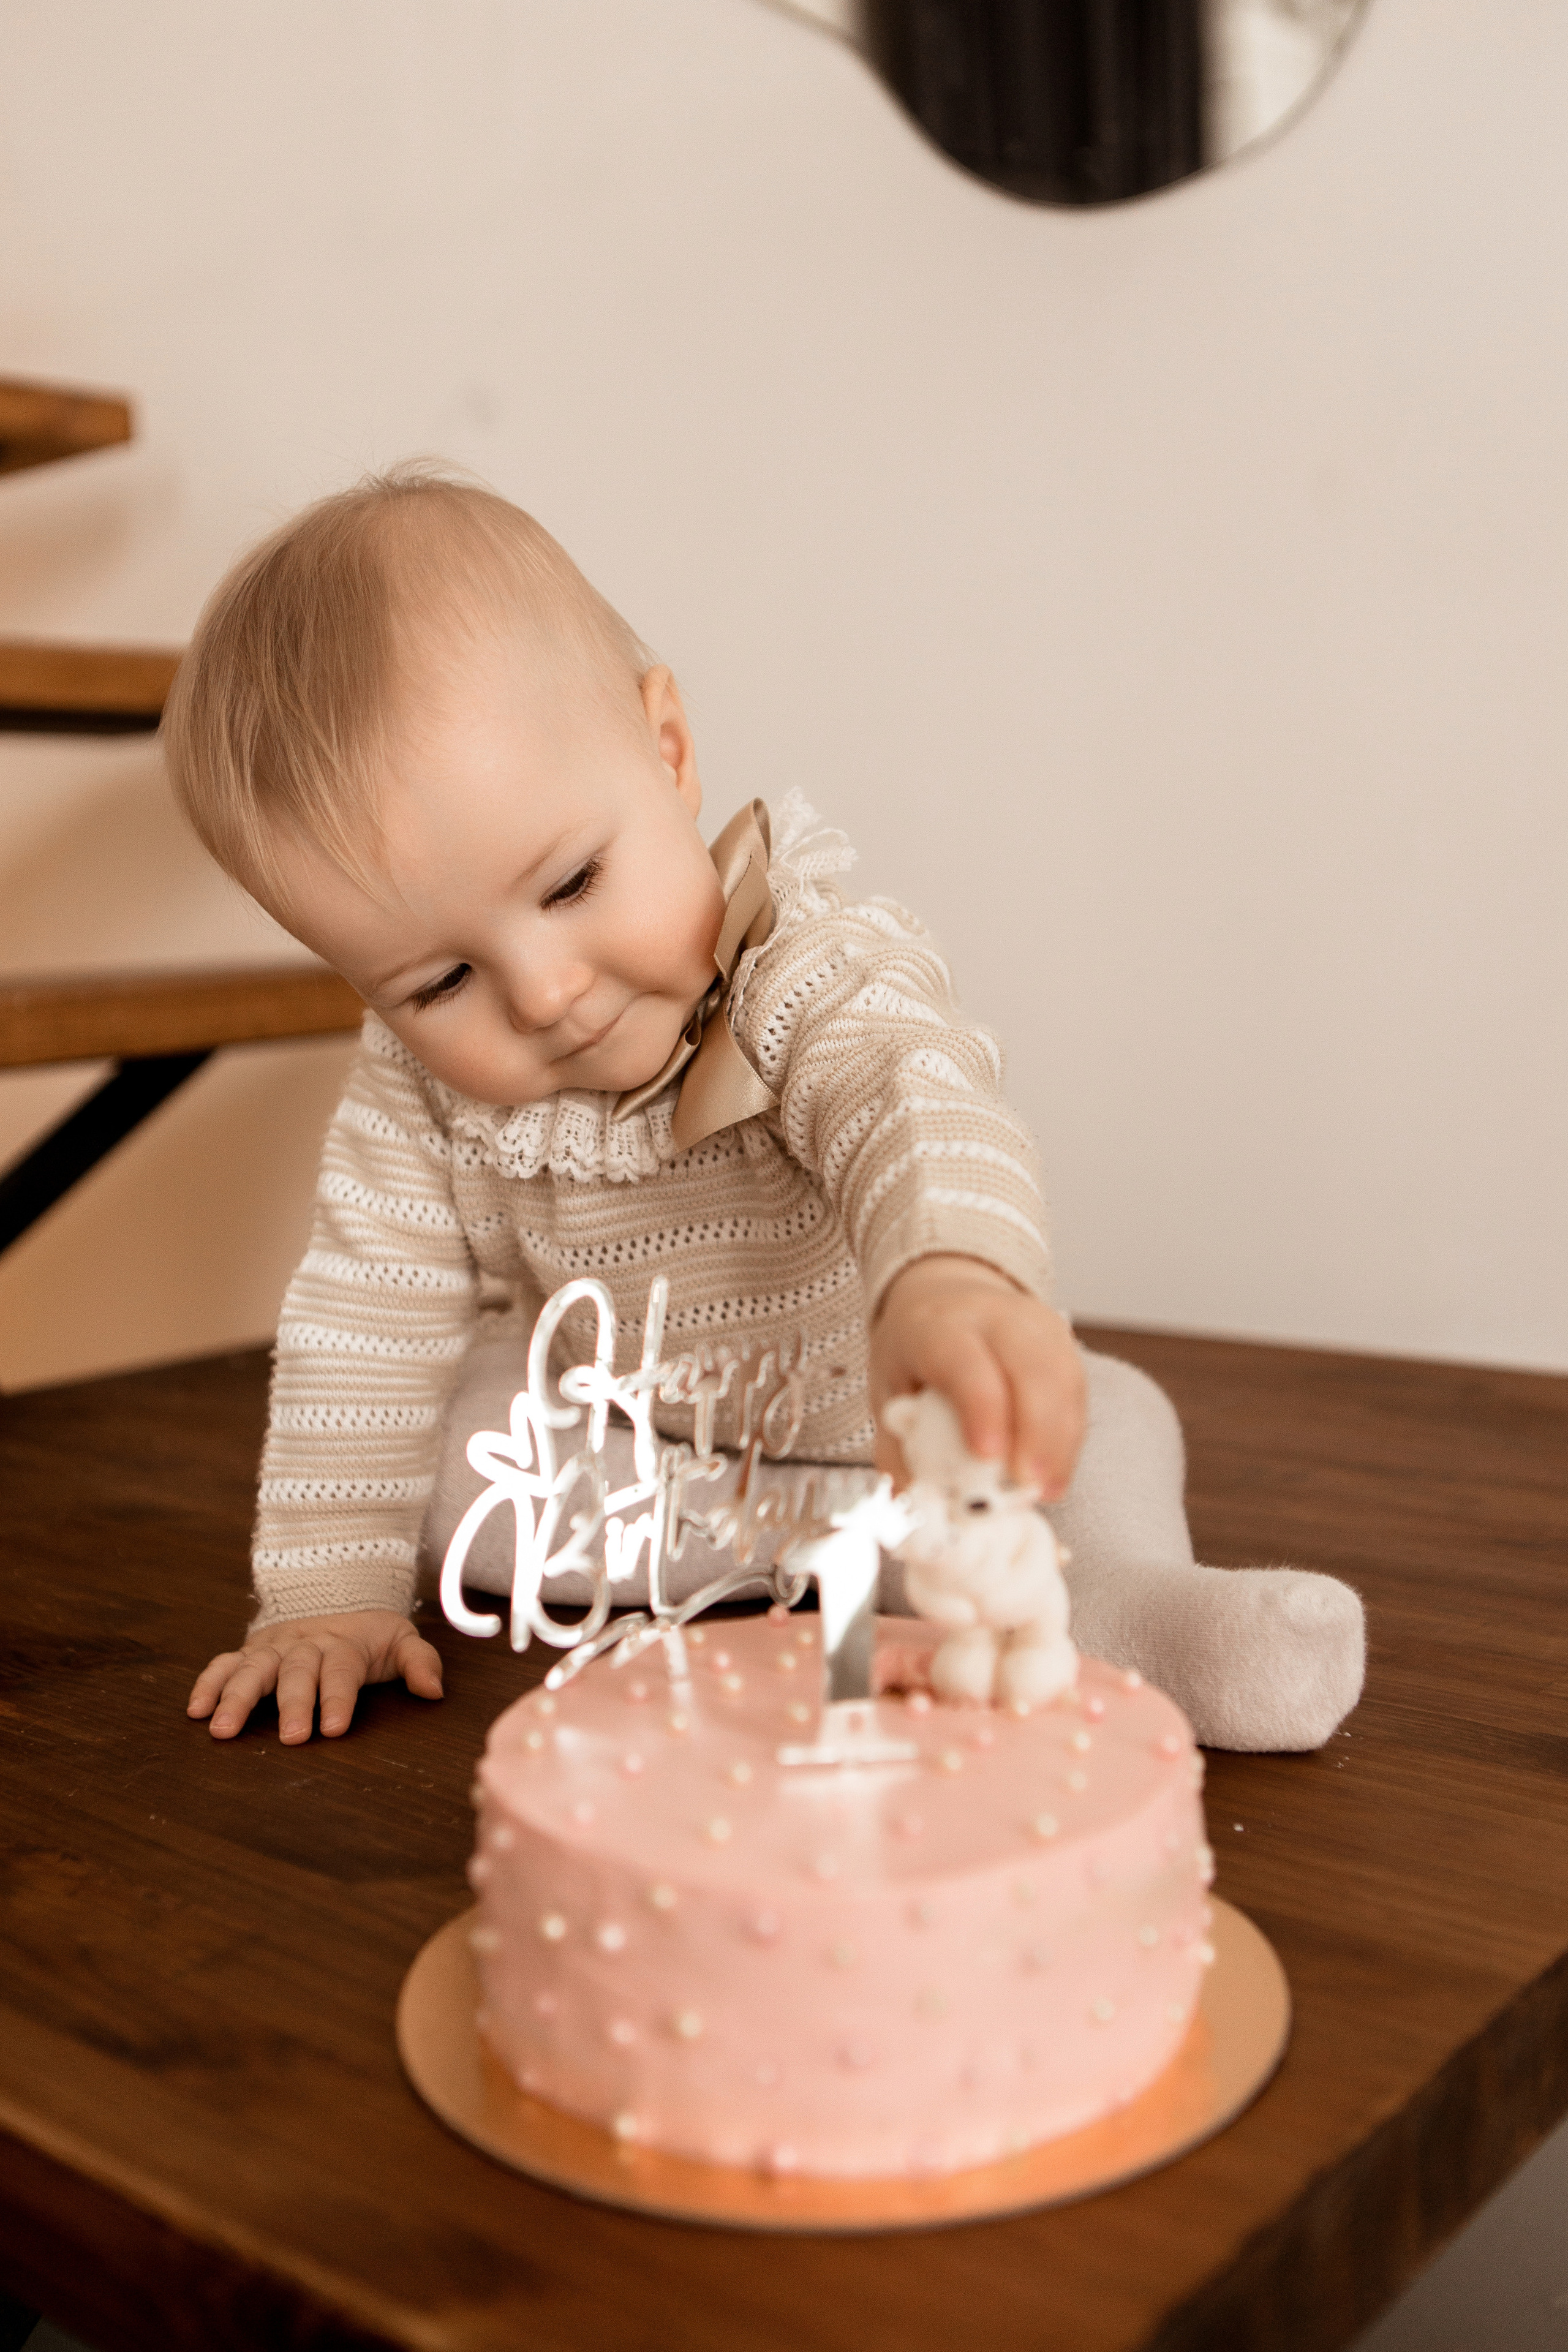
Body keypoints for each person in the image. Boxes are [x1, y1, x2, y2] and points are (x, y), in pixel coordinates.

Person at [165, 467, 1363, 1754]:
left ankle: (1138, 1619)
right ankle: (852, 1581)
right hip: (658, 1469)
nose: (546, 994)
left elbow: (912, 1106)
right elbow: (363, 1319)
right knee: (459, 1444)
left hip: (895, 1445)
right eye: (439, 981)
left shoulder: (808, 967)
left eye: (569, 882)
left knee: (1106, 1417)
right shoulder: (417, 1090)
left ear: (665, 749)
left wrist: (949, 1283)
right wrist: (326, 1597)